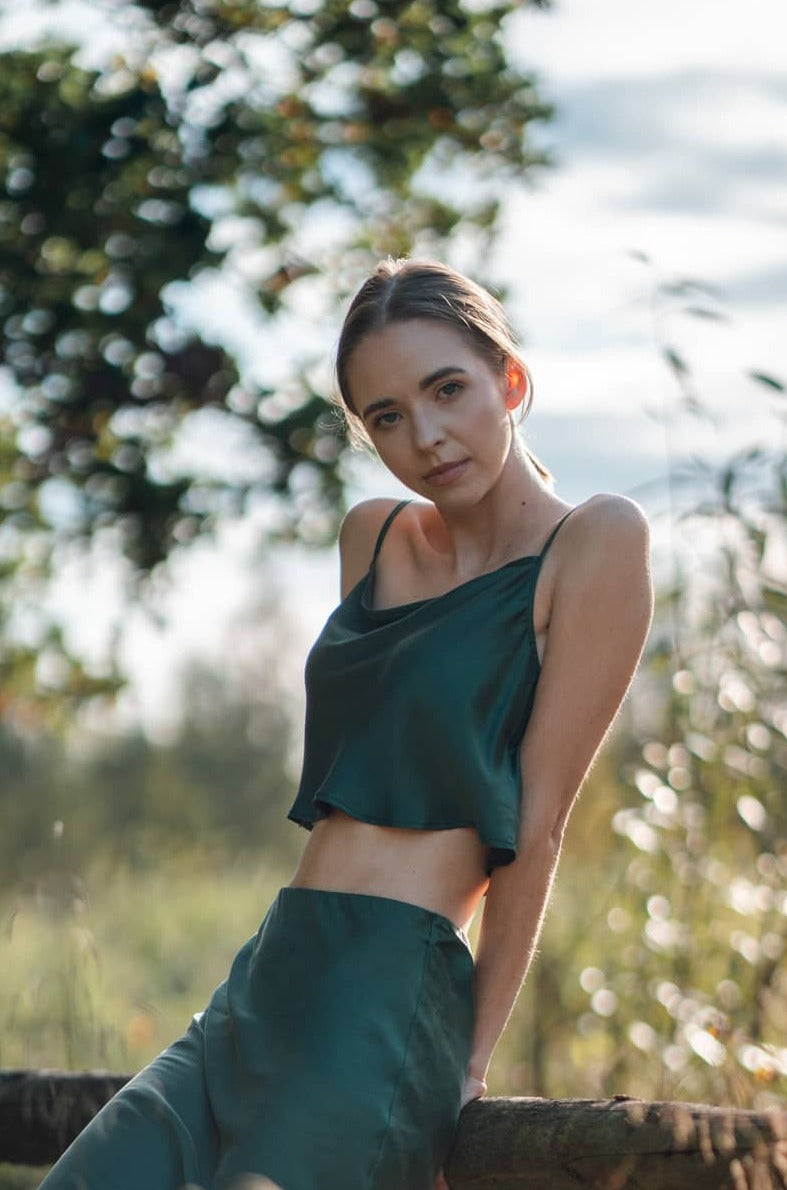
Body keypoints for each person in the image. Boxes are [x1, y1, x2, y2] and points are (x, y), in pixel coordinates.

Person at [39, 258, 654, 1190]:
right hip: (269, 969)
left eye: (447, 390)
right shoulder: (371, 537)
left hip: (389, 992)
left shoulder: (595, 541)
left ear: (509, 381)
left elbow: (539, 824)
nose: (427, 436)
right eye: (387, 417)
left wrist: (468, 1062)